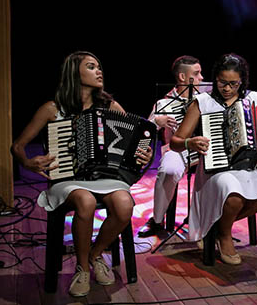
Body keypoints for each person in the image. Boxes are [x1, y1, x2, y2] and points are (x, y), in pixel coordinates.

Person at [11, 51, 153, 297]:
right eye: (91, 67)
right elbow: (17, 147)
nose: (99, 71)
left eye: (99, 67)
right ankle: (82, 267)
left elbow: (134, 143)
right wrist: (28, 162)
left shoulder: (110, 106)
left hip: (105, 177)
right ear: (74, 73)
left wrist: (145, 154)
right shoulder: (52, 109)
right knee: (85, 201)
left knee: (123, 204)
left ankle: (95, 255)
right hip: (67, 179)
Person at [170, 53, 257, 264]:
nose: (227, 88)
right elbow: (175, 141)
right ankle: (225, 236)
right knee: (232, 191)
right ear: (215, 78)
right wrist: (190, 142)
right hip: (216, 170)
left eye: (233, 84)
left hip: (250, 167)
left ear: (242, 82)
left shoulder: (254, 100)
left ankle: (216, 227)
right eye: (222, 82)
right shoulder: (202, 102)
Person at [138, 55, 204, 237]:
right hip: (178, 149)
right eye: (197, 74)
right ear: (183, 77)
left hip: (205, 149)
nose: (201, 78)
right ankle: (157, 220)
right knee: (168, 170)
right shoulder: (164, 103)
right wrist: (156, 121)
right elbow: (144, 133)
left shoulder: (206, 99)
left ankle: (207, 221)